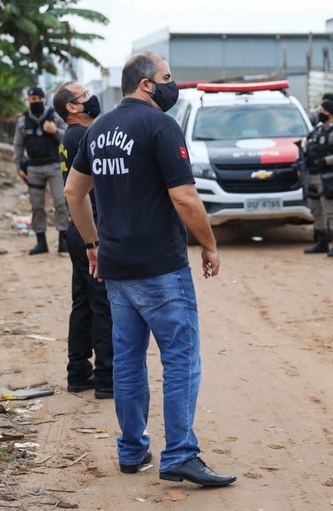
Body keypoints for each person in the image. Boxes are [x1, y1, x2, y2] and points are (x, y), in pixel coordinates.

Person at [64, 51, 236, 487]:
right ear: (146, 84)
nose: (171, 85)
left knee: (128, 360)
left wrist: (92, 244)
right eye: (166, 77)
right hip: (160, 267)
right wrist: (210, 244)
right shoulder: (160, 125)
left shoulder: (97, 130)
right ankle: (179, 453)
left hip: (117, 268)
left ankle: (131, 451)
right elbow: (184, 198)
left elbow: (72, 191)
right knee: (180, 359)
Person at [53, 81, 113, 400]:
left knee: (84, 301)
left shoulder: (71, 135)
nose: (92, 98)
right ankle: (106, 377)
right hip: (89, 229)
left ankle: (78, 371)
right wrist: (95, 239)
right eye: (85, 95)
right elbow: (83, 190)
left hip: (78, 228)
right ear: (72, 108)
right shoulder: (83, 136)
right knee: (102, 302)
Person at [13, 86, 70, 255]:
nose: (36, 101)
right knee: (37, 205)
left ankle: (63, 240)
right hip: (34, 168)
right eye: (33, 99)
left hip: (55, 166)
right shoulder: (22, 121)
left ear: (44, 98)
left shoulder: (54, 116)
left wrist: (55, 131)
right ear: (28, 100)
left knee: (61, 202)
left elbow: (69, 136)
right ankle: (41, 243)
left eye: (39, 98)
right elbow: (18, 145)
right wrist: (18, 167)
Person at [302, 100, 333, 257]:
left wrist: (326, 160)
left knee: (330, 210)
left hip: (326, 176)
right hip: (312, 176)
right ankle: (322, 242)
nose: (319, 112)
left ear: (330, 113)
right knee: (316, 211)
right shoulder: (316, 131)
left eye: (322, 109)